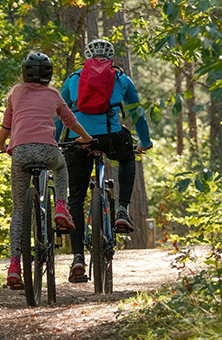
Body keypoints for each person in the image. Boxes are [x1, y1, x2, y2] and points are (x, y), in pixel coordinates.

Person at [0, 52, 92, 287]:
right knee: (61, 167)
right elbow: (70, 121)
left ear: (24, 74)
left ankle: (14, 266)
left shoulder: (15, 94)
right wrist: (86, 138)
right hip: (48, 151)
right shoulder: (54, 95)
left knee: (18, 210)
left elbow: (7, 125)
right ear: (49, 75)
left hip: (20, 153)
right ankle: (60, 206)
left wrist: (0, 145)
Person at [58, 39, 153, 283]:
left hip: (78, 140)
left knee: (76, 199)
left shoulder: (73, 79)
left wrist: (54, 140)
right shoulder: (122, 79)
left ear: (87, 58)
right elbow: (136, 113)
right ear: (110, 58)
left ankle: (78, 258)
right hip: (111, 138)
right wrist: (145, 141)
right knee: (128, 157)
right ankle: (122, 209)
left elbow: (59, 114)